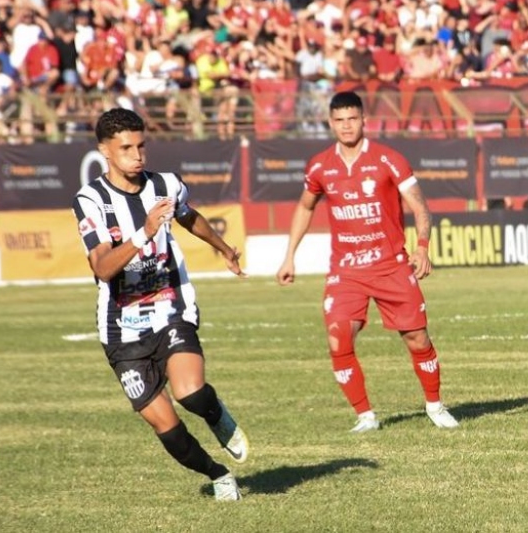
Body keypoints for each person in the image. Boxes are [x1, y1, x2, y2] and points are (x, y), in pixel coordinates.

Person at [71, 108, 249, 501]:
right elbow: (102, 267)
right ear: (105, 150)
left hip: (171, 307)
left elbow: (188, 216)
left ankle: (215, 412)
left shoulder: (166, 184)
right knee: (166, 427)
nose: (137, 155)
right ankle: (218, 474)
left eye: (141, 146)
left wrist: (223, 248)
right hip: (121, 330)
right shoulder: (90, 201)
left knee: (190, 393)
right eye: (126, 148)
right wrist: (144, 232)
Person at [275, 90, 458, 433]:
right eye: (340, 120)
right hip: (347, 271)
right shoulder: (319, 166)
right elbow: (305, 206)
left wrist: (421, 247)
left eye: (352, 119)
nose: (346, 126)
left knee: (417, 338)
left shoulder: (389, 159)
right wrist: (289, 257)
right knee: (338, 337)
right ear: (331, 123)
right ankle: (365, 416)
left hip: (391, 266)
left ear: (363, 120)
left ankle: (434, 405)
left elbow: (419, 206)